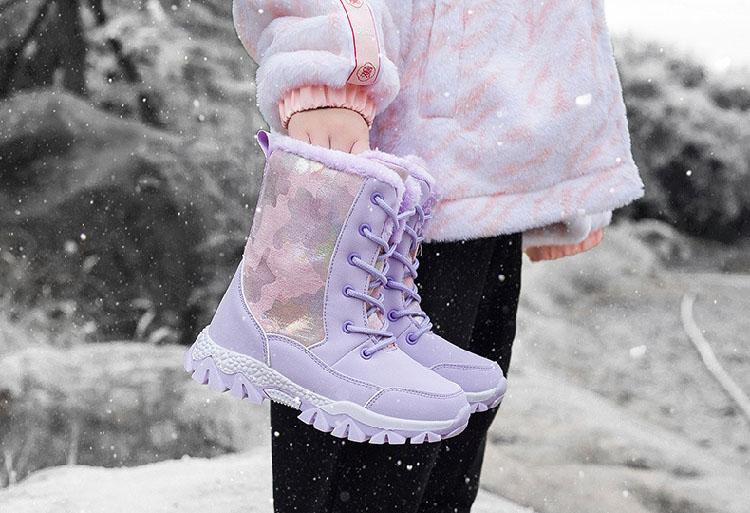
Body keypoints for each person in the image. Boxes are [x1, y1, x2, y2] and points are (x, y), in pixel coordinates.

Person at [222, 1, 644, 511]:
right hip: (403, 149)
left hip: (487, 170)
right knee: (381, 463)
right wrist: (328, 56)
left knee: (446, 461)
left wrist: (563, 173)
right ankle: (261, 321)